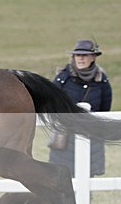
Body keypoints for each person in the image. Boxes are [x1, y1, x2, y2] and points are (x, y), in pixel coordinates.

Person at [48, 39, 112, 176]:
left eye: (85, 55)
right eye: (78, 55)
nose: (80, 58)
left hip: (91, 135)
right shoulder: (62, 79)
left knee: (87, 178)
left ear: (93, 57)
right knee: (63, 180)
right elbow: (51, 104)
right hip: (64, 137)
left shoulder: (102, 81)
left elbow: (105, 110)